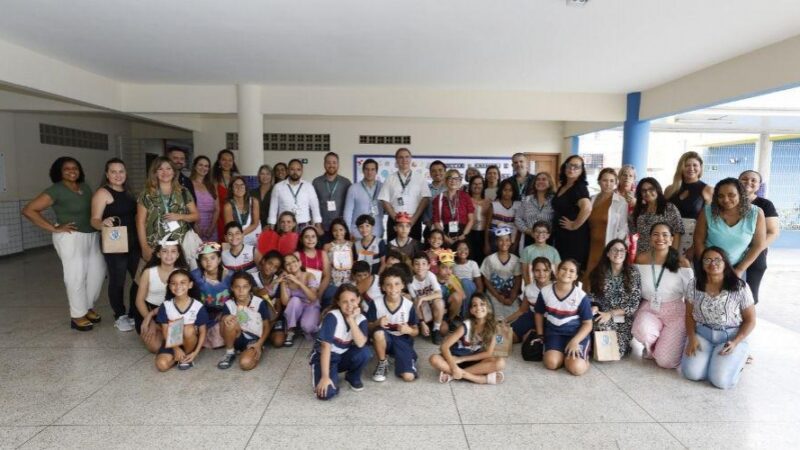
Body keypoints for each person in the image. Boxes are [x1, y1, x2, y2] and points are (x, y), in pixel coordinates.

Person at [23, 156, 106, 331]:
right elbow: (29, 210)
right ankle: (77, 316)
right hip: (71, 237)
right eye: (66, 168)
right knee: (75, 276)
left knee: (96, 274)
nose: (72, 171)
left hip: (91, 235)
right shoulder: (56, 190)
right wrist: (54, 228)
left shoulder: (84, 187)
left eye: (75, 168)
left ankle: (87, 307)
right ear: (59, 172)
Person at [681, 247, 757, 389]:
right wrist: (691, 338)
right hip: (703, 334)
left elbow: (750, 320)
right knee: (692, 374)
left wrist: (735, 342)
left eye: (717, 259)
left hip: (730, 338)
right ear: (702, 264)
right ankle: (712, 359)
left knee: (720, 381)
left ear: (725, 263)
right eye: (707, 260)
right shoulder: (694, 284)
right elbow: (689, 315)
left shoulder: (740, 286)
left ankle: (741, 355)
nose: (712, 263)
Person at [632, 223, 694, 369]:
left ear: (672, 239)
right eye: (656, 234)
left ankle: (661, 347)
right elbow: (634, 287)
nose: (660, 238)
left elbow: (691, 294)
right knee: (643, 331)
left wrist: (691, 320)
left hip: (675, 311)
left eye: (665, 235)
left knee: (665, 362)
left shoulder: (681, 262)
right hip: (649, 307)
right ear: (649, 238)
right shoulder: (641, 259)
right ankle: (652, 345)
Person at [90, 158, 139, 332]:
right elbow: (94, 220)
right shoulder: (102, 193)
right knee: (118, 281)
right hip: (115, 243)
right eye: (113, 171)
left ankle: (134, 313)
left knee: (139, 278)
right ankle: (120, 315)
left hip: (134, 242)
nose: (118, 175)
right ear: (107, 174)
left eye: (121, 171)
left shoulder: (129, 192)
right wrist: (103, 223)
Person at [694, 178, 766, 279]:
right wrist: (707, 265)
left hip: (738, 267)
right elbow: (698, 241)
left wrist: (740, 269)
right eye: (721, 196)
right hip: (708, 266)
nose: (726, 200)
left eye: (731, 195)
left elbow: (759, 245)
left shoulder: (756, 213)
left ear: (741, 194)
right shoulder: (707, 212)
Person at [310, 284, 372, 400]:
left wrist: (350, 319)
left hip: (342, 355)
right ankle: (329, 375)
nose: (349, 305)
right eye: (344, 302)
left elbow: (360, 343)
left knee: (365, 352)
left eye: (352, 300)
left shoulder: (361, 318)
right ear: (338, 303)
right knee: (325, 394)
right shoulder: (332, 317)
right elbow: (325, 347)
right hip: (324, 356)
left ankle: (352, 376)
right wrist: (325, 377)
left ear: (358, 300)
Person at [429, 293, 506, 385]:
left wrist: (463, 359)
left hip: (474, 360)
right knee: (434, 359)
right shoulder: (466, 325)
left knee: (500, 362)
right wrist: (454, 366)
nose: (478, 308)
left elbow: (490, 352)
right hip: (454, 359)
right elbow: (444, 347)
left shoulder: (497, 326)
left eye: (482, 304)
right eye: (474, 305)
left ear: (489, 307)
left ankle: (453, 375)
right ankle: (479, 379)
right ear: (471, 310)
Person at [533, 259, 593, 376]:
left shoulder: (581, 296)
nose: (567, 272)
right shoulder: (545, 291)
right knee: (551, 363)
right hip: (555, 333)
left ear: (575, 276)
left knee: (576, 369)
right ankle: (564, 355)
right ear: (556, 271)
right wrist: (540, 335)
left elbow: (588, 323)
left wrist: (575, 341)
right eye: (564, 269)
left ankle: (582, 359)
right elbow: (538, 313)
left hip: (576, 334)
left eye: (572, 271)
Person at [136, 157, 199, 264]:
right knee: (157, 277)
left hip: (180, 246)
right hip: (155, 246)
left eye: (168, 169)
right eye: (160, 169)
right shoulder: (146, 194)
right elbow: (140, 222)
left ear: (174, 172)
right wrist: (144, 247)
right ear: (155, 173)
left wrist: (180, 216)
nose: (165, 172)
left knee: (179, 277)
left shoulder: (183, 192)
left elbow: (196, 216)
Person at [587, 240, 642, 357]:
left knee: (616, 352)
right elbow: (592, 297)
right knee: (600, 324)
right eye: (614, 250)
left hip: (623, 318)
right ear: (607, 253)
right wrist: (595, 307)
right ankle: (594, 344)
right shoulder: (598, 272)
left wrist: (611, 313)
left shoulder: (633, 273)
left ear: (626, 253)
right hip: (603, 314)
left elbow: (633, 304)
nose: (618, 253)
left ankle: (621, 345)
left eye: (622, 250)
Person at [134, 239, 189, 352]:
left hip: (174, 313)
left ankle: (172, 344)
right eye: (164, 251)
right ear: (158, 254)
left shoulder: (183, 272)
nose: (169, 255)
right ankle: (168, 340)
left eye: (173, 251)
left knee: (186, 337)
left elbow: (186, 300)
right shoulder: (148, 272)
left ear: (178, 254)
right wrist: (151, 321)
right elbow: (139, 301)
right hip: (149, 312)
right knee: (155, 347)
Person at [368, 266, 420, 382]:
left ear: (403, 285)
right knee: (379, 332)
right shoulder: (376, 303)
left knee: (408, 377)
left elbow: (416, 331)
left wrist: (409, 330)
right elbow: (367, 326)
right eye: (388, 284)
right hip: (385, 340)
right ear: (383, 287)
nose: (393, 288)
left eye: (397, 284)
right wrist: (377, 322)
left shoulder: (408, 305)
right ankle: (382, 362)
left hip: (402, 340)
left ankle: (405, 356)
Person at [154, 269, 209, 372]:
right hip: (172, 341)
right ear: (169, 287)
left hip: (190, 341)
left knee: (188, 328)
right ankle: (179, 358)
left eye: (183, 282)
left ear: (190, 285)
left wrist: (195, 353)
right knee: (161, 365)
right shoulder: (166, 305)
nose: (178, 286)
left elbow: (202, 332)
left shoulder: (198, 306)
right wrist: (175, 349)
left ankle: (187, 356)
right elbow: (165, 331)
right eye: (173, 283)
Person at [739, 170, 780, 303]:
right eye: (744, 179)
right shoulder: (727, 201)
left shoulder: (765, 205)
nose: (748, 182)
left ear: (759, 185)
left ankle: (747, 323)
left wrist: (755, 249)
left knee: (749, 296)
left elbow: (773, 232)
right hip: (729, 253)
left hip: (756, 257)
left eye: (753, 180)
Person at [217, 271, 272, 371]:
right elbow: (223, 329)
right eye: (237, 287)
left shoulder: (259, 302)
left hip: (253, 340)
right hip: (236, 339)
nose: (241, 290)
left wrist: (259, 344)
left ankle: (248, 352)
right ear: (232, 288)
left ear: (250, 287)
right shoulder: (229, 304)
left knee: (245, 364)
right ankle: (230, 352)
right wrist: (225, 318)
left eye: (245, 286)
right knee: (228, 321)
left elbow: (266, 326)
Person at [664, 152, 714, 259]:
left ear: (700, 168)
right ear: (681, 167)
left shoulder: (708, 190)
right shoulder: (670, 189)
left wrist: (694, 246)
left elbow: (710, 223)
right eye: (687, 165)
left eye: (695, 165)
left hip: (692, 239)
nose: (691, 168)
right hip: (668, 237)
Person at [584, 168, 629, 285]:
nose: (608, 184)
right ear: (599, 181)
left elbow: (623, 228)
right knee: (588, 279)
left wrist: (615, 247)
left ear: (616, 183)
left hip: (608, 246)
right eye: (604, 180)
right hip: (590, 246)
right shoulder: (592, 199)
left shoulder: (621, 202)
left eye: (611, 181)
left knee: (604, 279)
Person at [379, 148, 432, 242]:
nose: (404, 160)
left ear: (411, 159)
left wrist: (414, 219)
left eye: (407, 157)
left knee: (414, 251)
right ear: (396, 160)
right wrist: (396, 218)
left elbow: (425, 199)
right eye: (401, 157)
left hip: (413, 220)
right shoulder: (390, 178)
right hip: (395, 221)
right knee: (394, 252)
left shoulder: (419, 178)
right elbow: (384, 200)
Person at [552, 155, 592, 270]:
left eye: (576, 167)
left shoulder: (579, 187)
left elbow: (587, 208)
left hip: (574, 237)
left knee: (570, 270)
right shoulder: (564, 185)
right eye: (569, 165)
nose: (572, 169)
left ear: (581, 170)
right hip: (562, 235)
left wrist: (574, 225)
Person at [190, 242, 232, 349]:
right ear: (200, 261)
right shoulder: (196, 276)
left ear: (219, 259)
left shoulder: (229, 275)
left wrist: (225, 312)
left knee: (221, 336)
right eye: (204, 259)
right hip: (203, 312)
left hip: (223, 312)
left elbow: (235, 297)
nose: (208, 262)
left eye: (212, 258)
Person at [629, 177, 684, 255]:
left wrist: (673, 255)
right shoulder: (639, 210)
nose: (647, 193)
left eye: (651, 189)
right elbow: (631, 230)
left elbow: (677, 233)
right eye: (644, 190)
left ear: (657, 189)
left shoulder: (669, 208)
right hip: (642, 255)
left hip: (663, 254)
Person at [268, 159, 323, 235]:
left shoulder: (309, 186)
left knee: (302, 247)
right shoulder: (278, 187)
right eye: (292, 169)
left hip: (304, 225)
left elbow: (315, 208)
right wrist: (271, 228)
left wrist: (318, 226)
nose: (295, 172)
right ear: (288, 170)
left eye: (298, 169)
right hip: (285, 226)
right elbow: (273, 210)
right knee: (285, 246)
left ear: (302, 171)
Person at [507, 257, 554, 343]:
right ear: (532, 272)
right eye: (537, 270)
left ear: (550, 271)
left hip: (550, 320)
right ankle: (526, 334)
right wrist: (504, 321)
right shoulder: (529, 289)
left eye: (545, 270)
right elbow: (522, 310)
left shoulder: (556, 287)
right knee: (507, 337)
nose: (541, 273)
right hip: (531, 317)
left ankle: (530, 334)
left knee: (534, 342)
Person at [480, 227, 522, 320]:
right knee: (496, 316)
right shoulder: (489, 259)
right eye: (501, 240)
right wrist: (498, 296)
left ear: (511, 241)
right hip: (494, 293)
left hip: (510, 294)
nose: (504, 243)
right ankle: (498, 335)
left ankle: (509, 334)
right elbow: (486, 281)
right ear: (496, 242)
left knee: (514, 316)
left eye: (507, 240)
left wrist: (512, 297)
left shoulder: (515, 260)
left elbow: (518, 281)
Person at [281, 252, 321, 347]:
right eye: (287, 264)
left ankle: (303, 326)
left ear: (299, 263)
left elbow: (313, 297)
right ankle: (291, 330)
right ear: (285, 268)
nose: (291, 265)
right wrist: (282, 283)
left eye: (293, 261)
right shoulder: (286, 280)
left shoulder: (309, 275)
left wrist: (298, 282)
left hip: (310, 305)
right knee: (294, 300)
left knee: (308, 327)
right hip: (296, 307)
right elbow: (285, 302)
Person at [409, 252, 446, 344]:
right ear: (412, 266)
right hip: (422, 310)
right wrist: (422, 322)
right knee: (415, 331)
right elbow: (415, 304)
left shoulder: (430, 275)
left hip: (434, 309)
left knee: (444, 329)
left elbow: (439, 294)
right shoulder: (410, 282)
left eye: (423, 263)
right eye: (417, 263)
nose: (420, 266)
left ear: (428, 266)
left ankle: (436, 329)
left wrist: (423, 298)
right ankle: (425, 325)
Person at [432, 169, 475, 249]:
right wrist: (445, 238)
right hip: (445, 234)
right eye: (450, 178)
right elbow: (436, 221)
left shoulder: (465, 196)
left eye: (456, 178)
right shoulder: (438, 199)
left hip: (463, 234)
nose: (453, 181)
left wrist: (463, 235)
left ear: (459, 181)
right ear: (445, 180)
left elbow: (471, 220)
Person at [312, 152, 352, 239]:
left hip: (340, 230)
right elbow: (313, 205)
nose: (331, 165)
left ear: (338, 164)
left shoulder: (346, 182)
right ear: (324, 164)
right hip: (322, 228)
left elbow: (349, 206)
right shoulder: (316, 182)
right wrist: (317, 225)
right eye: (328, 162)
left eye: (334, 162)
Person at [343, 158, 384, 240]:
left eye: (372, 169)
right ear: (363, 170)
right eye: (367, 169)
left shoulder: (382, 187)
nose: (369, 172)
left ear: (376, 171)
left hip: (377, 232)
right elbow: (347, 212)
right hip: (357, 233)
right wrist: (347, 231)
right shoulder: (353, 188)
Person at [253, 251, 287, 348]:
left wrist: (269, 326)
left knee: (278, 342)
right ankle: (262, 335)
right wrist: (275, 282)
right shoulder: (252, 277)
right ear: (263, 261)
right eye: (270, 263)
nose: (271, 268)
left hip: (273, 317)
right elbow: (259, 293)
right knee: (264, 302)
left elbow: (278, 308)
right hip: (256, 314)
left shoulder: (278, 280)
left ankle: (265, 335)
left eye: (275, 267)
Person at [515, 172, 556, 250]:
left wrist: (546, 233)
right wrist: (528, 231)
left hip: (548, 240)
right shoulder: (527, 200)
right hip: (530, 238)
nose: (540, 181)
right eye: (538, 179)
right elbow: (517, 218)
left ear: (550, 183)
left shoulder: (555, 200)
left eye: (544, 179)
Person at [322, 219, 355, 308]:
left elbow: (355, 262)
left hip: (348, 279)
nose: (338, 232)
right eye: (335, 230)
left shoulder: (352, 245)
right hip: (332, 280)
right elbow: (324, 265)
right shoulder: (327, 246)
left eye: (341, 229)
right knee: (331, 304)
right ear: (331, 232)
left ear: (345, 230)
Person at [223, 176, 261, 247]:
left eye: (242, 185)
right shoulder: (228, 206)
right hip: (236, 240)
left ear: (246, 188)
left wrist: (242, 234)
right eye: (236, 185)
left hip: (252, 237)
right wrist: (238, 236)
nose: (239, 188)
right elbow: (230, 228)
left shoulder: (254, 201)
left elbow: (255, 223)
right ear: (231, 189)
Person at [519, 221, 560, 286]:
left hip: (550, 286)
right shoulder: (527, 250)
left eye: (544, 232)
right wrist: (528, 287)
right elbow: (524, 272)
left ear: (548, 235)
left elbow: (557, 272)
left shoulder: (553, 251)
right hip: (532, 285)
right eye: (537, 231)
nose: (540, 234)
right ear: (532, 233)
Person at [486, 179, 521, 255]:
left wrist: (515, 244)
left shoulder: (518, 205)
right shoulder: (494, 205)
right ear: (500, 190)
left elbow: (519, 227)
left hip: (512, 241)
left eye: (510, 190)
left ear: (514, 191)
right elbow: (487, 226)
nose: (507, 193)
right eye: (505, 190)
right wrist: (486, 244)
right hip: (494, 241)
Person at [295, 226, 330, 299]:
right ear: (301, 239)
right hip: (302, 288)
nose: (310, 239)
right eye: (307, 237)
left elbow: (327, 276)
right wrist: (308, 291)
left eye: (313, 236)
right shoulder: (297, 255)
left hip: (320, 287)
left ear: (317, 239)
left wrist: (319, 293)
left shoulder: (323, 253)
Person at [190, 156, 219, 242]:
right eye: (200, 165)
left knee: (212, 253)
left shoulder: (212, 185)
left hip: (211, 227)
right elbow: (186, 208)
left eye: (206, 166)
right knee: (195, 254)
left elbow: (217, 209)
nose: (203, 168)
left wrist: (212, 228)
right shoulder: (188, 183)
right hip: (194, 226)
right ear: (195, 166)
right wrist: (195, 226)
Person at [213, 149, 239, 240]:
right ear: (219, 161)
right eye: (224, 159)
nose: (227, 162)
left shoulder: (237, 178)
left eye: (230, 160)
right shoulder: (214, 179)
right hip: (220, 217)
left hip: (236, 216)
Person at [436, 249, 466, 326]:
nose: (448, 271)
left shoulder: (452, 278)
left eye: (450, 268)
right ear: (438, 268)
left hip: (448, 307)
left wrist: (452, 283)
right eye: (444, 267)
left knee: (457, 297)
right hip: (436, 306)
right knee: (443, 329)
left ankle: (450, 320)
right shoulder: (433, 278)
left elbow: (463, 296)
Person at [467, 174, 491, 265]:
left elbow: (489, 221)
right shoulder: (466, 199)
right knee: (470, 259)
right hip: (469, 234)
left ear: (483, 185)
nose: (477, 186)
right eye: (474, 184)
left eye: (480, 183)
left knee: (482, 261)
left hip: (483, 234)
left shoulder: (488, 201)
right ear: (470, 186)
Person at [617, 164, 638, 261]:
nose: (627, 178)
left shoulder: (640, 195)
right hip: (615, 232)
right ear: (619, 177)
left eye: (630, 176)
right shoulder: (612, 194)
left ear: (634, 179)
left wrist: (636, 204)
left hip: (633, 236)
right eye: (624, 175)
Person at [423, 160, 447, 234]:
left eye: (440, 170)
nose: (437, 173)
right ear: (430, 173)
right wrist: (432, 227)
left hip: (449, 228)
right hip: (430, 229)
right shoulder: (425, 189)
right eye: (434, 171)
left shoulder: (451, 189)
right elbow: (423, 211)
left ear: (445, 172)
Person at [252, 164, 273, 229]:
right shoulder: (252, 192)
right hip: (254, 227)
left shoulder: (276, 191)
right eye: (262, 174)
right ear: (259, 176)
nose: (265, 176)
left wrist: (270, 225)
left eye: (268, 174)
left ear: (272, 176)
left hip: (272, 227)